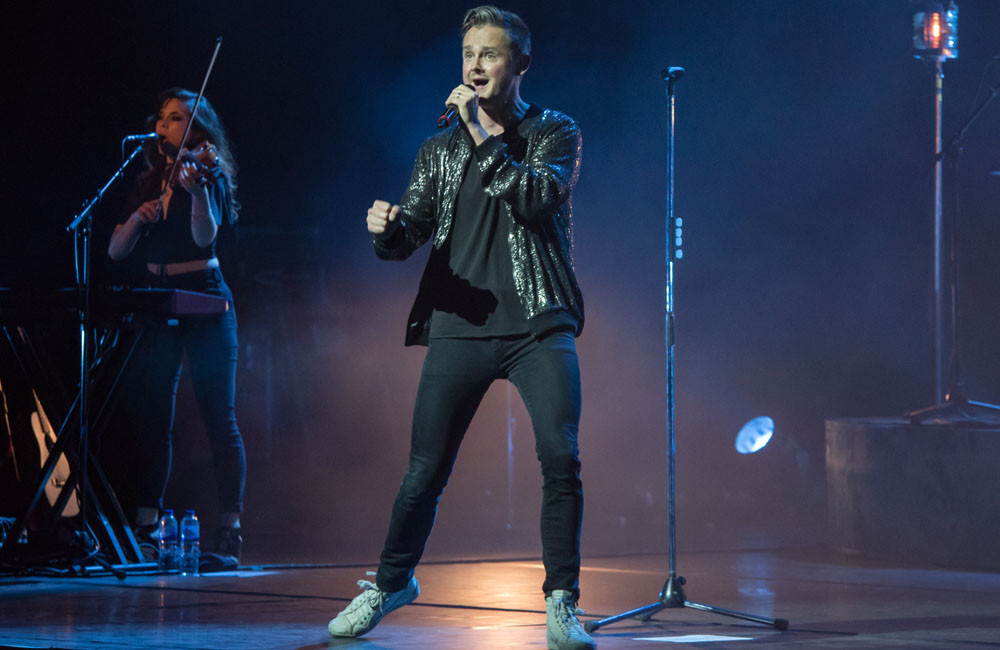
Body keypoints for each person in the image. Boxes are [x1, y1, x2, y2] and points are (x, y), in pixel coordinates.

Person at [327, 7, 594, 649]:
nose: (475, 65)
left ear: (520, 64)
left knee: (561, 458)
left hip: (537, 323)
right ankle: (390, 583)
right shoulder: (438, 151)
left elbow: (534, 198)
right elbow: (412, 233)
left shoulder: (554, 131)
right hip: (459, 325)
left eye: (491, 54)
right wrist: (386, 230)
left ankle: (562, 602)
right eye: (469, 53)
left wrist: (481, 134)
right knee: (425, 470)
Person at [108, 88, 246, 564]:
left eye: (179, 118)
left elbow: (206, 237)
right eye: (164, 118)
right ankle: (148, 526)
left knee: (218, 416)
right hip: (158, 301)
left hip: (204, 296)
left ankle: (229, 528)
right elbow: (114, 250)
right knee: (154, 418)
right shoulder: (148, 179)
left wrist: (196, 195)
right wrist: (136, 222)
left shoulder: (207, 173)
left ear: (198, 128)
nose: (167, 125)